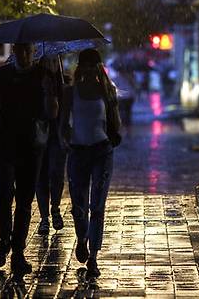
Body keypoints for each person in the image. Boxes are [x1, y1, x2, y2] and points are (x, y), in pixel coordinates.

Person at [0, 43, 58, 275]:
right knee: (4, 197)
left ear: (34, 52)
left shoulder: (43, 75)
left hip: (33, 146)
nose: (26, 55)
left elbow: (53, 113)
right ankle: (4, 241)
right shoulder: (2, 75)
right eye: (21, 50)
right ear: (14, 51)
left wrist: (50, 90)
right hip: (5, 144)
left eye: (29, 51)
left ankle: (17, 251)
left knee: (25, 202)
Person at [59, 49, 121, 279]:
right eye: (84, 65)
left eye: (91, 66)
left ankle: (93, 254)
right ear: (79, 68)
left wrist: (115, 134)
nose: (87, 70)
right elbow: (63, 123)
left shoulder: (107, 91)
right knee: (78, 205)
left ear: (97, 68)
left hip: (101, 151)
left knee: (97, 205)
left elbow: (114, 122)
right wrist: (63, 140)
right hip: (77, 152)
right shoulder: (70, 92)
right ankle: (82, 238)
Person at [35, 57, 67, 236]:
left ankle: (55, 208)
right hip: (39, 135)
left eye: (54, 61)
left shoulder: (62, 84)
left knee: (56, 173)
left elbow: (63, 112)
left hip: (56, 134)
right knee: (41, 176)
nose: (50, 64)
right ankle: (44, 217)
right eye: (47, 61)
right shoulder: (35, 83)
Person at [111, 68, 136, 137]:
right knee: (127, 114)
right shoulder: (130, 78)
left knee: (123, 113)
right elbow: (134, 87)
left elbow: (114, 88)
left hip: (123, 98)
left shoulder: (117, 78)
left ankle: (124, 130)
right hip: (128, 98)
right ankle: (127, 131)